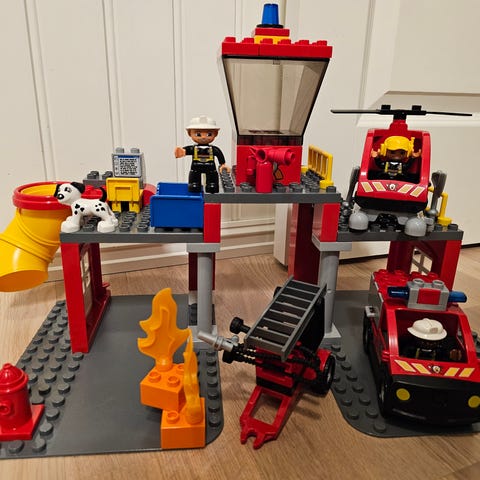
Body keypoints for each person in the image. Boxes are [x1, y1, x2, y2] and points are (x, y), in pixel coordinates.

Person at [174, 115, 230, 193]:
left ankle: (212, 185)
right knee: (194, 177)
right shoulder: (193, 148)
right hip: (196, 167)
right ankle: (194, 184)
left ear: (216, 133)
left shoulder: (213, 149)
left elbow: (219, 154)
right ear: (189, 133)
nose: (203, 137)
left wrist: (222, 164)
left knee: (212, 178)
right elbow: (186, 150)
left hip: (210, 167)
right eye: (198, 134)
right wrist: (182, 151)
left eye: (209, 134)